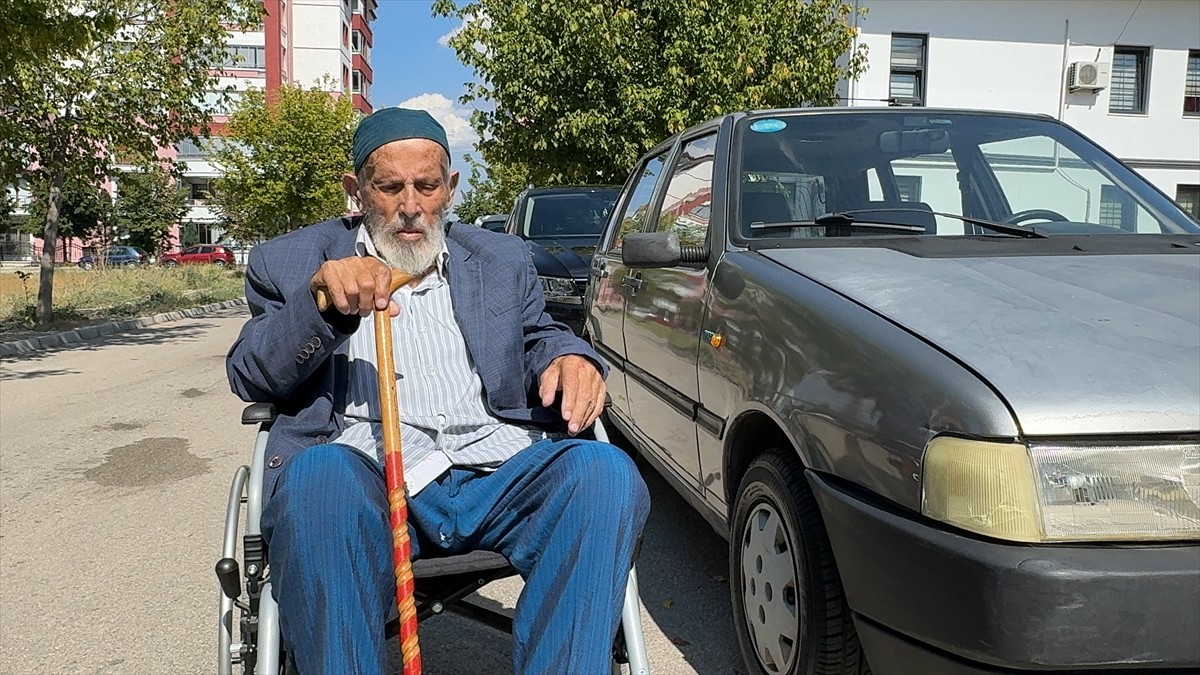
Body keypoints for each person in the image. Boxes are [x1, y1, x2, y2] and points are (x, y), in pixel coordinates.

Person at [226, 107, 651, 674]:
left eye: (426, 186)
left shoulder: (500, 257)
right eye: (390, 187)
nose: (410, 206)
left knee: (605, 473)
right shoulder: (291, 261)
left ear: (449, 189)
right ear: (356, 190)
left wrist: (570, 356)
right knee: (315, 480)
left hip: (497, 471)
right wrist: (319, 304)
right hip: (367, 477)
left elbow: (538, 335)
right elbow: (251, 373)